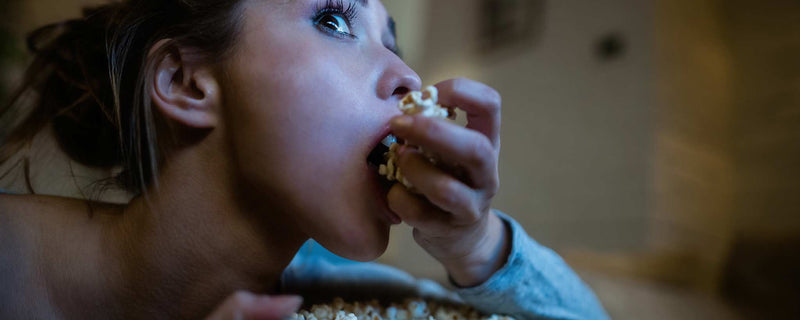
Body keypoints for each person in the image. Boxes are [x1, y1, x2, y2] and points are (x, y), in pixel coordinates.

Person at [0, 0, 609, 319]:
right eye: (335, 19)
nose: (408, 77)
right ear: (187, 83)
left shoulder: (351, 297)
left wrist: (475, 245)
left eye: (392, 43)